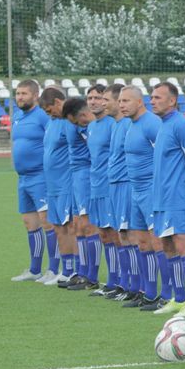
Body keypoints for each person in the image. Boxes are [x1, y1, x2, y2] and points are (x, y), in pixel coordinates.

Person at [149, 82, 185, 317]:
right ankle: (179, 298)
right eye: (152, 97)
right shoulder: (163, 125)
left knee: (182, 244)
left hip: (175, 195)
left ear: (172, 101)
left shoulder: (181, 124)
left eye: (157, 97)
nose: (152, 101)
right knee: (167, 246)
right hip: (160, 196)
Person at [119, 85, 168, 310]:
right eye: (120, 101)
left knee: (158, 242)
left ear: (140, 102)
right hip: (135, 190)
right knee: (142, 242)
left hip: (151, 190)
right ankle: (148, 293)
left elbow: (166, 156)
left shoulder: (151, 124)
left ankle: (166, 294)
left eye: (126, 101)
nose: (122, 105)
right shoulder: (130, 125)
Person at [9, 79, 56, 282]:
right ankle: (35, 269)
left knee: (47, 222)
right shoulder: (17, 116)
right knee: (29, 223)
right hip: (23, 178)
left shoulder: (43, 116)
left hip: (40, 176)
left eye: (24, 94)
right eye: (18, 93)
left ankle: (53, 269)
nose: (19, 97)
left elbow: (53, 141)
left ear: (35, 95)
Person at [76, 84, 121, 296]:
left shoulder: (113, 124)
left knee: (115, 234)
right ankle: (112, 281)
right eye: (90, 98)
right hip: (95, 187)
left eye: (98, 97)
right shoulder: (92, 127)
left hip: (110, 186)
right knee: (103, 234)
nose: (94, 101)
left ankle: (122, 281)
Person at [38, 87, 78, 286]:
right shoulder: (52, 122)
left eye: (49, 110)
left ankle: (76, 270)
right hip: (52, 185)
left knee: (70, 226)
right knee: (58, 226)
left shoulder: (69, 122)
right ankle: (66, 269)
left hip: (66, 183)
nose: (50, 114)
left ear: (57, 102)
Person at [103, 84, 139, 301]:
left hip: (126, 185)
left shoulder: (127, 124)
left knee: (130, 235)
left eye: (107, 100)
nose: (103, 104)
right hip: (114, 185)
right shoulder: (116, 125)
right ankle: (125, 283)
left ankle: (136, 286)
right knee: (121, 235)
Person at [62, 96, 101, 290]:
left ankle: (91, 276)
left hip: (86, 176)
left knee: (88, 226)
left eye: (76, 121)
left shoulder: (92, 127)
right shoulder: (82, 126)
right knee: (79, 225)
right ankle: (82, 272)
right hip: (77, 177)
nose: (77, 125)